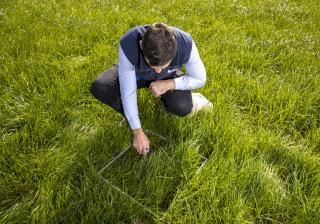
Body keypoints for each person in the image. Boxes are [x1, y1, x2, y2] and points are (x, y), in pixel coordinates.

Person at [90, 22, 206, 156]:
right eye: (153, 64)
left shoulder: (185, 43)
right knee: (100, 87)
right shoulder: (129, 42)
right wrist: (137, 130)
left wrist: (169, 84)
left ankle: (170, 98)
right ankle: (131, 116)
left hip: (168, 77)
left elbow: (200, 79)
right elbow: (128, 91)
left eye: (163, 65)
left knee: (183, 107)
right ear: (141, 46)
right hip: (136, 73)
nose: (157, 70)